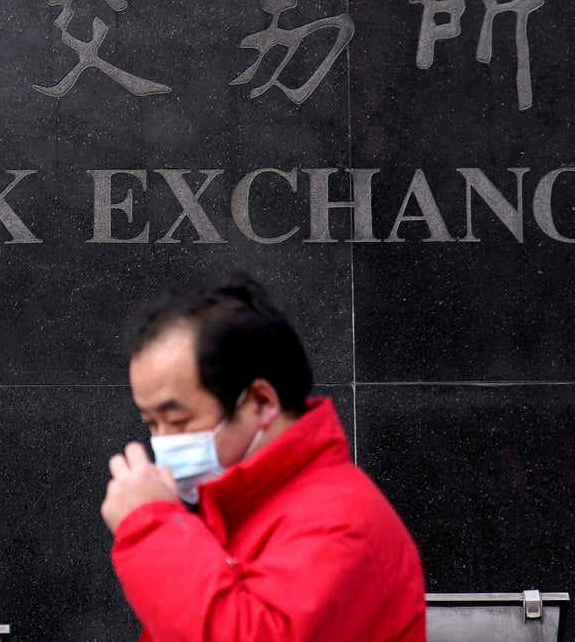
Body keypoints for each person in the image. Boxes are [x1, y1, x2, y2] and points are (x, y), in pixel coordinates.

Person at [99, 275, 426, 641]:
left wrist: (150, 528)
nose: (162, 444)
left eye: (178, 421)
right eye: (152, 424)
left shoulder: (339, 522)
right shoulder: (241, 510)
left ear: (262, 403)